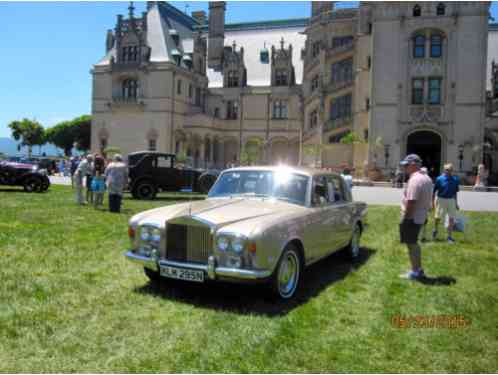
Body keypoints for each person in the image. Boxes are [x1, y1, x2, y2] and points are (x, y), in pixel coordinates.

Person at [399, 154, 433, 280]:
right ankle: (418, 269)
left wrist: (406, 219)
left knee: (411, 244)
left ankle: (416, 271)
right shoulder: (426, 178)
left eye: (406, 165)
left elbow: (411, 201)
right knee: (414, 243)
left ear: (413, 164)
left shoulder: (415, 180)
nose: (404, 168)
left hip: (412, 218)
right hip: (420, 216)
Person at [432, 163, 460, 244]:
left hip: (451, 200)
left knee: (451, 218)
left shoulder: (455, 180)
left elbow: (455, 192)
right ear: (444, 170)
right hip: (441, 200)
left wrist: (456, 203)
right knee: (438, 217)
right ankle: (435, 229)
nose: (449, 171)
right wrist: (433, 202)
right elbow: (434, 191)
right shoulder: (439, 179)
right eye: (447, 170)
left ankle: (449, 237)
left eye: (450, 170)